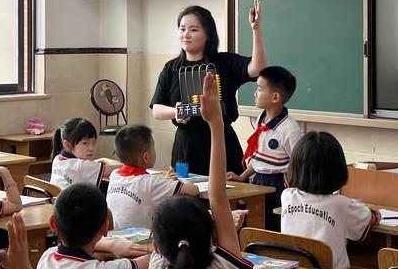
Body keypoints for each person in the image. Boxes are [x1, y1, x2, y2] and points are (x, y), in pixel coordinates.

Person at [150, 72, 254, 269]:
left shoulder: (156, 264)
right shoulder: (224, 264)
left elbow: (217, 195)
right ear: (214, 236)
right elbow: (218, 194)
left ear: (156, 248)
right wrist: (216, 122)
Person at [151, 1, 266, 175]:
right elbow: (157, 109)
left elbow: (257, 68)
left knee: (227, 196)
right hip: (186, 147)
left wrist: (256, 30)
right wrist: (177, 111)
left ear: (208, 34)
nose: (186, 35)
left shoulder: (224, 62)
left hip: (221, 141)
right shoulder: (171, 68)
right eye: (182, 29)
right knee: (187, 197)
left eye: (194, 30)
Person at [281, 131, 381, 269]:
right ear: (337, 169)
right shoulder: (341, 204)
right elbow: (367, 221)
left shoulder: (287, 196)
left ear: (295, 168)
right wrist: (373, 214)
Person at [227, 66, 302, 231]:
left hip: (280, 185)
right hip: (258, 180)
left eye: (260, 89)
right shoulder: (261, 120)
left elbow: (300, 165)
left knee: (276, 227)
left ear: (275, 97)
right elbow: (260, 158)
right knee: (257, 225)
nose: (255, 93)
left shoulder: (290, 129)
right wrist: (242, 177)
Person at [106, 124, 198, 229]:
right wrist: (181, 179)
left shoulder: (115, 175)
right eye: (153, 147)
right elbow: (193, 190)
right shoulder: (151, 183)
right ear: (145, 157)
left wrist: (165, 181)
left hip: (114, 239)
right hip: (140, 242)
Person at [37, 183, 150, 268]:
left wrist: (111, 246)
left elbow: (79, 257)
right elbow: (152, 259)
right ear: (105, 228)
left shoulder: (47, 256)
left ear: (53, 224)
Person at [50, 118, 121, 190]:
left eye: (94, 143)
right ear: (68, 145)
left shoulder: (57, 159)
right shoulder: (81, 166)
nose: (91, 148)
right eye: (85, 143)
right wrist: (104, 159)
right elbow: (120, 167)